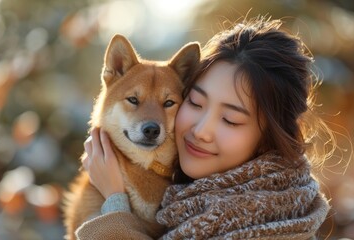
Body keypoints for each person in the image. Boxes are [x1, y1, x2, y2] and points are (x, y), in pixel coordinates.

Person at [76, 16, 333, 239]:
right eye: (196, 103)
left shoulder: (272, 227)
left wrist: (115, 206)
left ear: (269, 138)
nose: (200, 131)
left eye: (230, 120)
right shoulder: (186, 199)